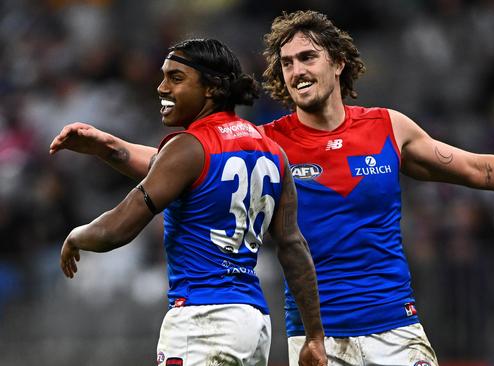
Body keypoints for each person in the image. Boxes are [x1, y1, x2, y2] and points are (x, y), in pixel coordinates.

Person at [50, 11, 494, 366]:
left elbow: (476, 169)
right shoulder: (267, 138)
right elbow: (179, 169)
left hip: (395, 328)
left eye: (308, 57)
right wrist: (106, 146)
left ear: (337, 64)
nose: (297, 69)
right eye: (286, 63)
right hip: (314, 339)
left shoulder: (387, 127)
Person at [53, 38, 327, 366]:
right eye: (164, 76)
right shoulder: (271, 151)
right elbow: (294, 248)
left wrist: (75, 236)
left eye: (176, 78)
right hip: (252, 321)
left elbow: (118, 228)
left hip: (202, 321)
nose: (162, 87)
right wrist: (315, 336)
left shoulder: (188, 147)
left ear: (211, 88)